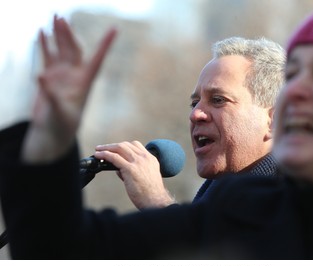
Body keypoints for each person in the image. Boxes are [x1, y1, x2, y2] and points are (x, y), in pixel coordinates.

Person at [1, 4, 313, 259]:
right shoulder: (243, 209)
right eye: (294, 74)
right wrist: (50, 140)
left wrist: (157, 201)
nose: (197, 115)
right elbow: (55, 252)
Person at [93, 37, 285, 209]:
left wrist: (157, 202)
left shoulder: (301, 200)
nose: (195, 114)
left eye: (218, 100)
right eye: (194, 103)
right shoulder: (215, 199)